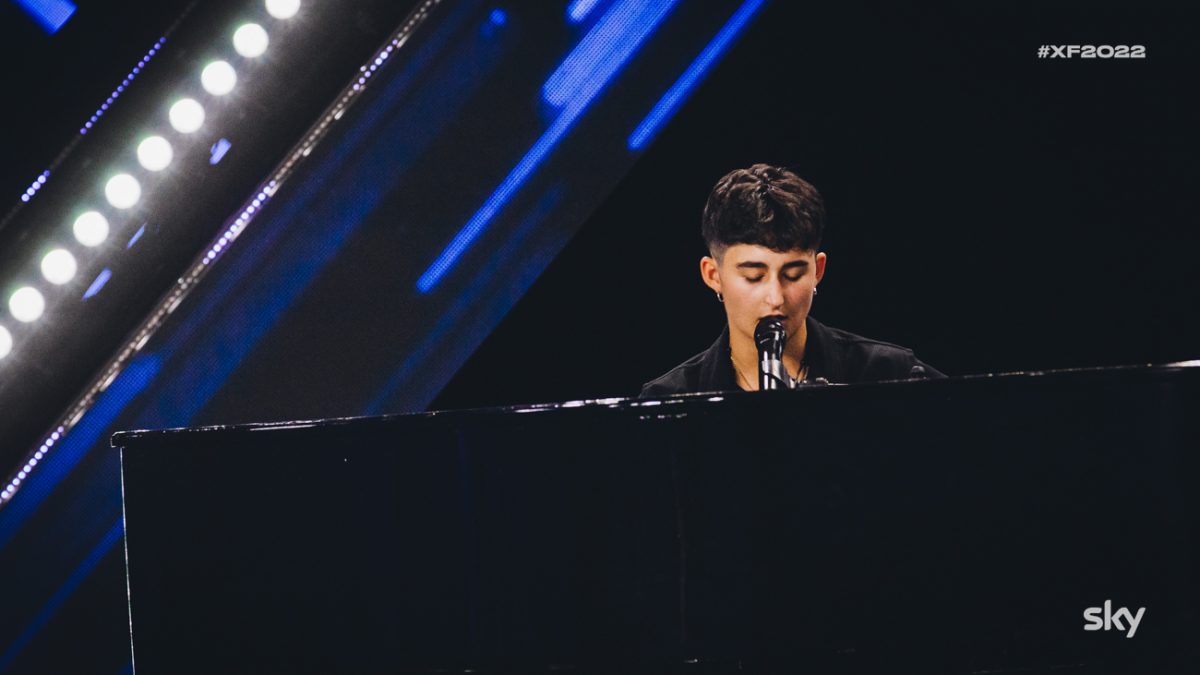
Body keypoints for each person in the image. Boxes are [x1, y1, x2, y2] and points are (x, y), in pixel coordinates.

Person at [639, 164, 942, 397]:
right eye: (754, 277)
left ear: (818, 270)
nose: (776, 298)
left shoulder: (893, 375)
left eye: (793, 274)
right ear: (713, 276)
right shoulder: (667, 400)